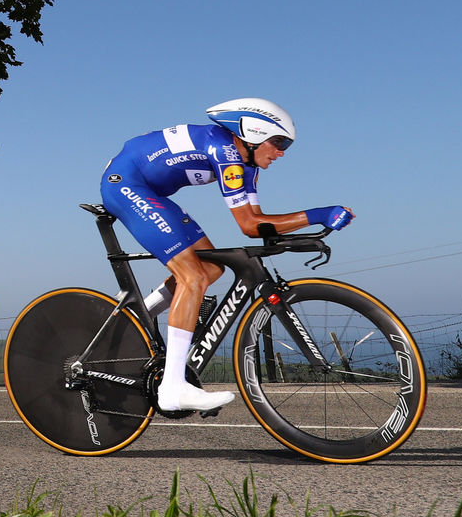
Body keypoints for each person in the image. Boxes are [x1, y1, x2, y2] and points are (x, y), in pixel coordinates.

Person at [100, 98, 354, 412]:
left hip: (148, 190)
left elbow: (257, 221)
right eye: (279, 142)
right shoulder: (227, 154)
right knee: (192, 276)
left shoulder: (246, 165)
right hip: (125, 185)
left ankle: (134, 319)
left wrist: (309, 225)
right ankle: (173, 387)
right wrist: (318, 213)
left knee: (211, 269)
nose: (282, 152)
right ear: (253, 134)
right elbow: (249, 225)